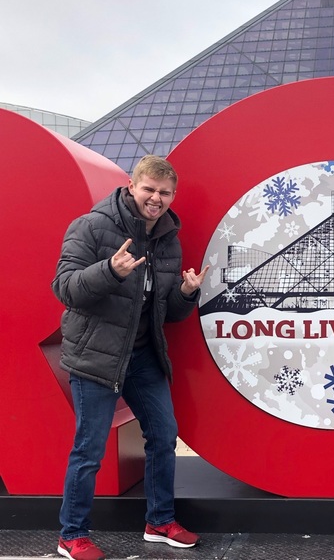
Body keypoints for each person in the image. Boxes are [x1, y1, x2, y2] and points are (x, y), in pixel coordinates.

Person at [51, 155, 209, 560]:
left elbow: (166, 312)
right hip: (96, 356)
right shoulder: (92, 226)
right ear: (131, 187)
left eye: (164, 193)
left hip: (142, 355)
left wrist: (186, 294)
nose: (156, 199)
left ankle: (160, 521)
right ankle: (71, 535)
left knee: (163, 436)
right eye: (149, 189)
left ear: (173, 196)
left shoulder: (168, 238)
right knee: (89, 450)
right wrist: (110, 271)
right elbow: (65, 288)